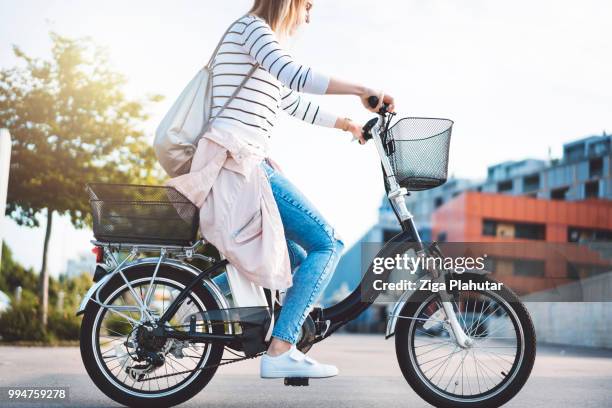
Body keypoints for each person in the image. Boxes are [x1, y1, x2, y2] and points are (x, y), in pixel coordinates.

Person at [205, 0, 395, 379]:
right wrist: (362, 89)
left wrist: (345, 124)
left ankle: (202, 303)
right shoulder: (253, 30)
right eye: (308, 5)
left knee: (289, 257)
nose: (310, 15)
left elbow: (289, 100)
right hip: (240, 166)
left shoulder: (254, 41)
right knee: (328, 243)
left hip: (242, 163)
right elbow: (293, 76)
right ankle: (281, 348)